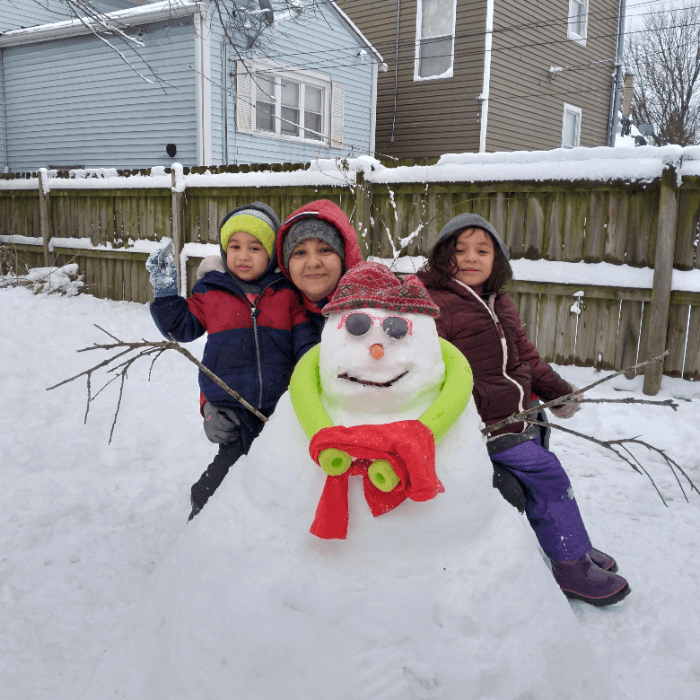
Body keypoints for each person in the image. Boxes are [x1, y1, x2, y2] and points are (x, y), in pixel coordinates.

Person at [417, 213, 630, 607]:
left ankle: (572, 544)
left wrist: (558, 392)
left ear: (497, 260)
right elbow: (429, 371)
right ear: (443, 256)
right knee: (548, 474)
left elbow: (525, 357)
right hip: (480, 425)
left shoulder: (500, 303)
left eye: (483, 251)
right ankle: (571, 566)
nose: (471, 257)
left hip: (516, 416)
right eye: (460, 250)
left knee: (542, 470)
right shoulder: (435, 305)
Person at [146, 202, 318, 520]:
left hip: (280, 405)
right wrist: (166, 293)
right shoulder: (211, 291)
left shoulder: (286, 294)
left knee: (277, 468)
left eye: (254, 247)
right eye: (235, 246)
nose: (243, 256)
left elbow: (306, 347)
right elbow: (180, 328)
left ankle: (263, 523)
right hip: (231, 405)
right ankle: (205, 510)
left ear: (271, 253)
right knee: (230, 468)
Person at [276, 199, 364, 333]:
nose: (313, 263)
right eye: (300, 252)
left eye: (324, 250)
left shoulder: (374, 315)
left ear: (345, 259)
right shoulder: (270, 315)